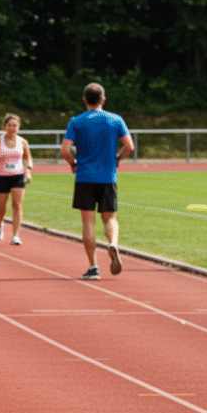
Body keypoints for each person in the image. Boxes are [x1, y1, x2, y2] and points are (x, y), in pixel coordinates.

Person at [60, 83, 134, 280]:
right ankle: (113, 243)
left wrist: (73, 163)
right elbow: (129, 146)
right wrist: (118, 158)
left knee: (88, 222)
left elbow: (65, 151)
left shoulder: (76, 121)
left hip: (85, 176)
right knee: (110, 218)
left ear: (85, 100)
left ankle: (93, 267)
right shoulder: (115, 119)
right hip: (108, 177)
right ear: (103, 100)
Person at [0, 113, 32, 245]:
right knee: (2, 208)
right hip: (2, 176)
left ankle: (15, 235)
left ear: (18, 127)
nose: (12, 128)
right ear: (4, 127)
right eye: (9, 125)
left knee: (17, 205)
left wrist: (28, 171)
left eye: (14, 125)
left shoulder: (23, 142)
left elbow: (28, 157)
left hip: (17, 175)